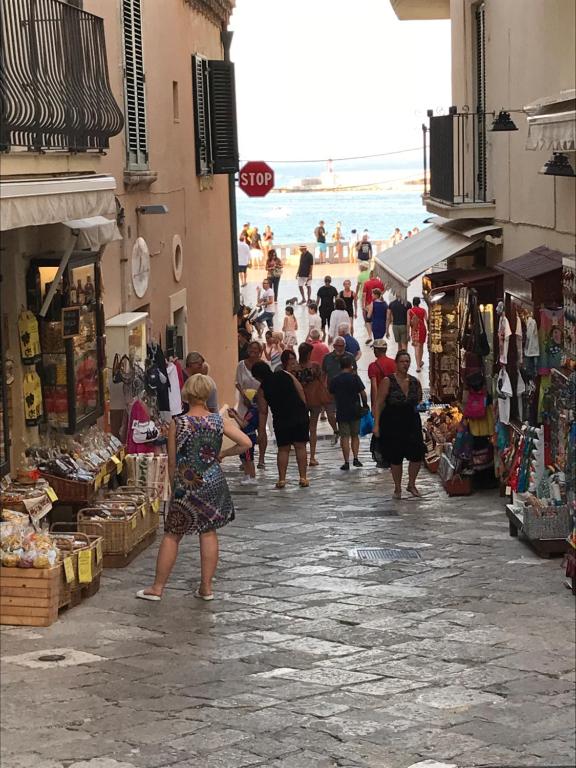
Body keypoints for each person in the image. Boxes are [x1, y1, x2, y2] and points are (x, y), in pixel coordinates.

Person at [136, 374, 251, 602]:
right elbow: (246, 442)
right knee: (208, 532)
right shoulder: (218, 422)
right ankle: (206, 588)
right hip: (213, 482)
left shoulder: (178, 423)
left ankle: (158, 588)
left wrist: (172, 484)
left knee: (172, 534)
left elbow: (171, 460)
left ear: (187, 394)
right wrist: (223, 454)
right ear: (208, 394)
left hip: (185, 482)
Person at [252, 351, 310, 489]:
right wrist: (304, 407)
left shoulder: (262, 389)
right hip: (299, 415)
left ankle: (282, 479)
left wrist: (261, 431)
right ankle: (303, 477)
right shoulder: (286, 374)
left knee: (283, 450)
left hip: (281, 419)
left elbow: (263, 411)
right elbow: (300, 390)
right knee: (300, 447)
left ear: (258, 377)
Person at [373, 351, 426, 499]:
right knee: (396, 456)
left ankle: (411, 483)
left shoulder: (415, 382)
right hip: (393, 421)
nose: (405, 364)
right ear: (396, 363)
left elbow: (420, 400)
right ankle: (397, 487)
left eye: (407, 361)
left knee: (416, 454)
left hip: (411, 421)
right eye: (402, 361)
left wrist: (423, 406)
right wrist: (376, 424)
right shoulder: (388, 381)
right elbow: (379, 403)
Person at [329, 354, 368, 471]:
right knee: (355, 435)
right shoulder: (355, 378)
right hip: (355, 410)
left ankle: (346, 461)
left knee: (344, 437)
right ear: (350, 365)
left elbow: (331, 395)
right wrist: (365, 405)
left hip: (342, 411)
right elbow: (363, 393)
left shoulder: (335, 380)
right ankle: (356, 458)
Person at [297, 342, 330, 467]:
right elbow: (322, 381)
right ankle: (312, 456)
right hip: (315, 399)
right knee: (313, 429)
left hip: (300, 401)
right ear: (309, 353)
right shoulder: (315, 367)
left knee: (302, 428)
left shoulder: (295, 368)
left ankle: (303, 454)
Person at [235, 341, 268, 468]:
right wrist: (244, 396)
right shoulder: (241, 365)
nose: (253, 351)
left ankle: (261, 459)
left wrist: (259, 397)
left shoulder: (263, 365)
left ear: (260, 351)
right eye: (251, 349)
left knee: (261, 430)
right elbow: (237, 382)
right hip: (245, 402)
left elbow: (267, 382)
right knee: (244, 430)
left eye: (256, 349)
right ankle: (246, 459)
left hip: (261, 402)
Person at [322, 336, 356, 444]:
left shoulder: (350, 357)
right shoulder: (327, 357)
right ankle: (336, 430)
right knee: (330, 413)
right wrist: (322, 388)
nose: (340, 348)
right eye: (338, 346)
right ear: (334, 346)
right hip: (331, 390)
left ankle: (344, 433)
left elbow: (354, 373)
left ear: (345, 346)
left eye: (342, 346)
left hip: (346, 391)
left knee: (343, 414)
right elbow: (324, 373)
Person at [228, 391, 259, 486]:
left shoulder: (253, 411)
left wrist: (234, 417)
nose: (243, 401)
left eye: (244, 399)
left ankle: (252, 477)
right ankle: (247, 475)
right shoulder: (250, 411)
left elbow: (244, 425)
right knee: (243, 457)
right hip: (246, 436)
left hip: (248, 436)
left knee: (248, 458)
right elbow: (245, 421)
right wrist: (236, 414)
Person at [368, 339, 396, 413]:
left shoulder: (373, 366)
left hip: (381, 402)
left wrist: (374, 405)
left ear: (376, 350)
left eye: (374, 349)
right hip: (394, 400)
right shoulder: (394, 363)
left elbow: (374, 387)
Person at [362, 271, 385, 345]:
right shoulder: (380, 282)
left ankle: (370, 335)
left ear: (370, 275)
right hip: (378, 303)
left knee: (368, 321)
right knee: (376, 318)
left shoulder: (366, 283)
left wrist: (363, 305)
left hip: (368, 304)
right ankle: (378, 339)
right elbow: (382, 292)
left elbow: (364, 295)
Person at [408, 296, 428, 372]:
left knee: (416, 347)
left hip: (414, 330)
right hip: (422, 329)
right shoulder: (423, 310)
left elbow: (408, 323)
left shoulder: (410, 311)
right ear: (419, 302)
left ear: (413, 303)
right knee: (421, 346)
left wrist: (408, 333)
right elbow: (427, 320)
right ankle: (420, 362)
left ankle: (418, 366)